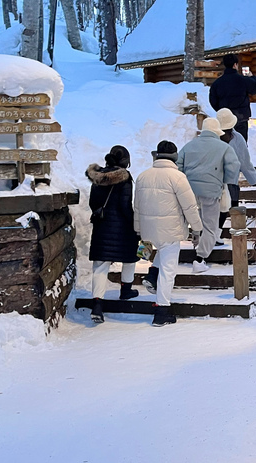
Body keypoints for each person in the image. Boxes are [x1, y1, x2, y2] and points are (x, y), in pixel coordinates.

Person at [133, 140, 203, 326]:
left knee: (161, 257)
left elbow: (137, 207)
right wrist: (196, 228)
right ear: (174, 156)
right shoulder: (177, 177)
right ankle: (161, 310)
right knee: (169, 270)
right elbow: (189, 206)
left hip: (149, 230)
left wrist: (138, 229)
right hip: (170, 231)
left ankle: (152, 275)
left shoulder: (142, 176)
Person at [176, 117, 240, 273]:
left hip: (189, 192)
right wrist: (223, 181)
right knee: (210, 226)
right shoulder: (224, 147)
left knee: (194, 221)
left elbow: (178, 166)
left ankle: (195, 242)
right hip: (211, 192)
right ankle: (200, 259)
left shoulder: (188, 146)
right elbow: (234, 167)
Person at [86, 145, 140, 324]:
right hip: (121, 226)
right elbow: (125, 205)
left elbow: (93, 203)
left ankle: (97, 304)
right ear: (125, 160)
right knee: (130, 257)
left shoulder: (98, 176)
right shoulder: (124, 178)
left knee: (101, 265)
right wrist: (134, 223)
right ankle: (126, 290)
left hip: (102, 225)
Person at [215, 107, 256, 243]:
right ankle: (236, 236)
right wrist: (253, 179)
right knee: (232, 206)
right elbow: (244, 161)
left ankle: (214, 234)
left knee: (215, 209)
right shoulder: (237, 138)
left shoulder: (210, 137)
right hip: (230, 181)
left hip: (212, 180)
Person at [208, 53, 256, 142]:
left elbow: (213, 100)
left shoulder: (217, 83)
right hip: (241, 116)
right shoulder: (243, 80)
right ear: (235, 65)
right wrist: (252, 77)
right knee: (241, 143)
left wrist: (221, 110)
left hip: (225, 118)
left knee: (226, 143)